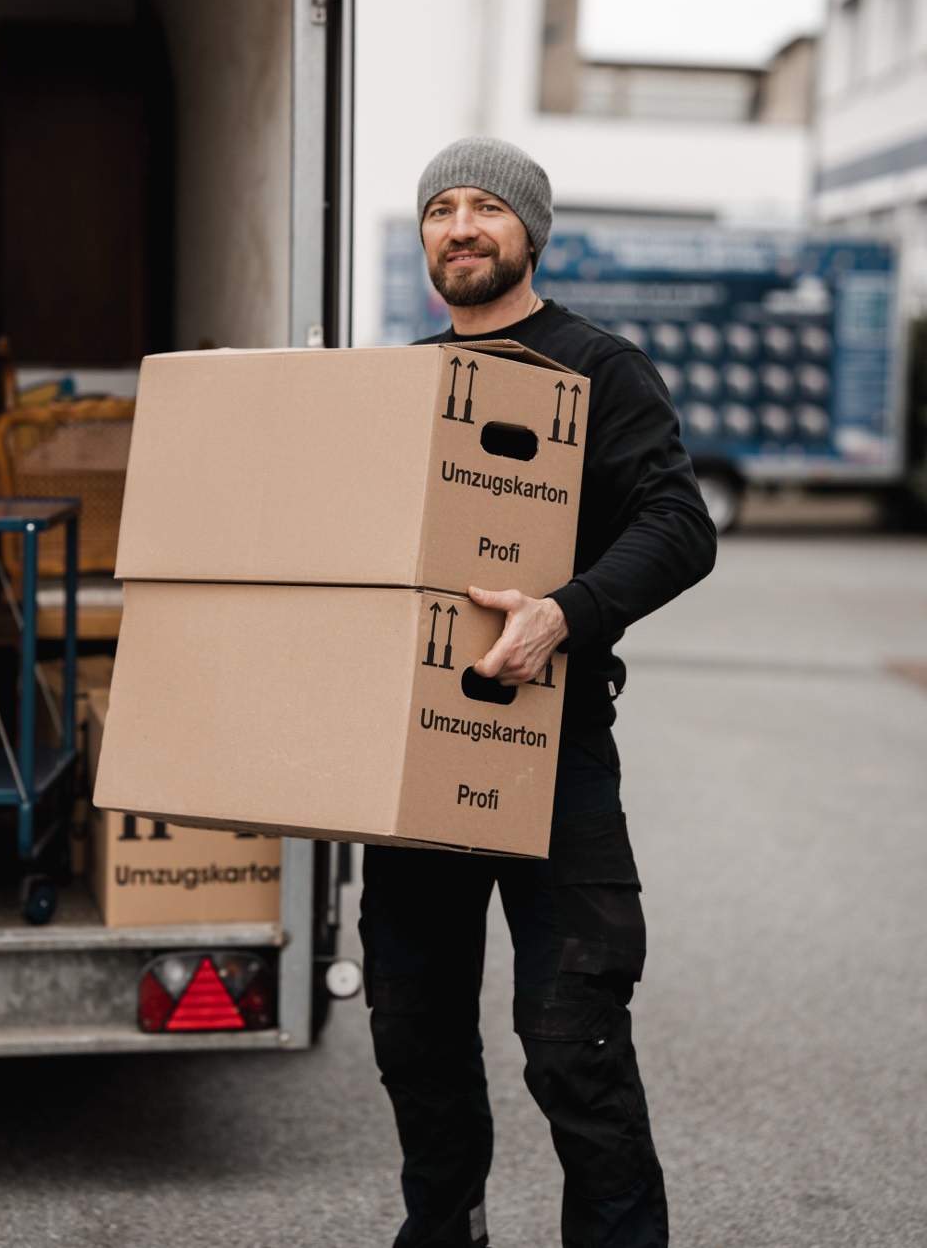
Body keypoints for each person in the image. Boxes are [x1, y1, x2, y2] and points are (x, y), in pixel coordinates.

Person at [359, 137, 717, 1248]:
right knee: (412, 1028)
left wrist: (564, 611)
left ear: (532, 233)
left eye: (486, 208)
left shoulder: (600, 369)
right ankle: (444, 1230)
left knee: (574, 1043)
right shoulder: (405, 382)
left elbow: (679, 525)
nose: (460, 227)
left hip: (554, 749)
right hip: (421, 754)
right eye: (441, 209)